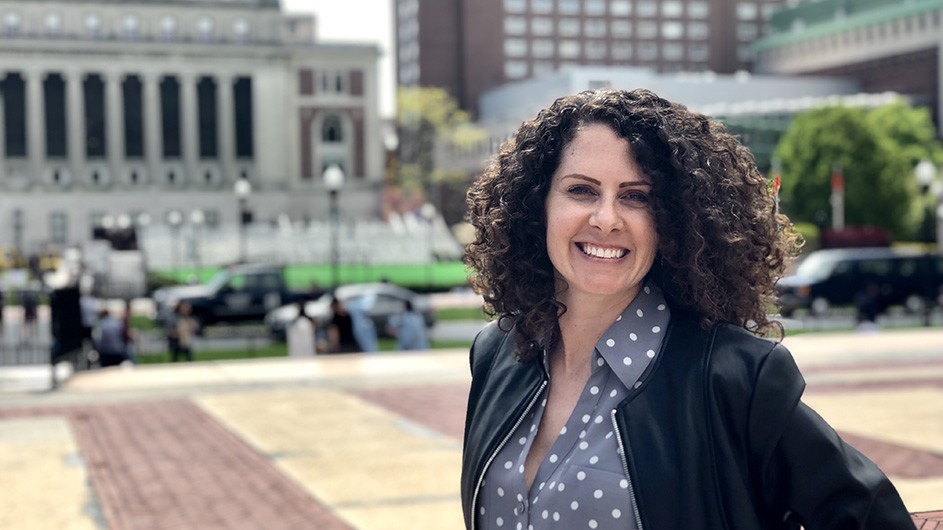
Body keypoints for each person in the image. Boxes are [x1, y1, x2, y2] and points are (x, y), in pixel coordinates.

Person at [460, 89, 915, 529]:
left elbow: (871, 518)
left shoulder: (734, 377)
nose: (606, 218)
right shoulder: (497, 354)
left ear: (672, 219)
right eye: (581, 190)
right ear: (537, 205)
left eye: (636, 196)